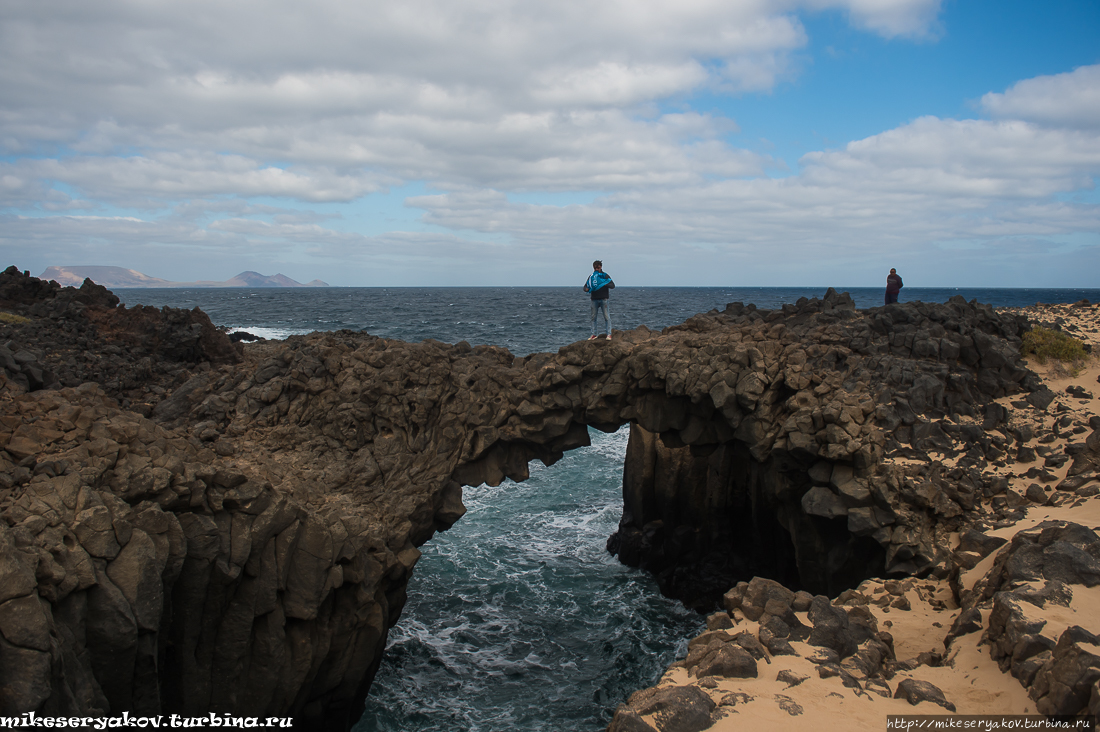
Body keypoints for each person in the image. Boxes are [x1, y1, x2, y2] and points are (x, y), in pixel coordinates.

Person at [583, 260, 614, 340]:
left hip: (604, 299)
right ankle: (594, 334)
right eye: (595, 267)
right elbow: (585, 286)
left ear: (601, 267)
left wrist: (604, 283)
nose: (596, 269)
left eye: (598, 267)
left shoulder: (604, 276)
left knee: (606, 317)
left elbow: (612, 285)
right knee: (593, 318)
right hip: (594, 300)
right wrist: (586, 289)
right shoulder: (591, 277)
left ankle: (609, 334)